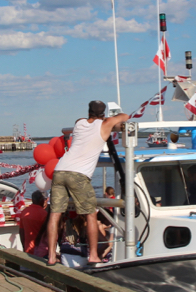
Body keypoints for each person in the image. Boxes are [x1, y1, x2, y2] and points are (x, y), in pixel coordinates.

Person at [46, 101, 129, 267]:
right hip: (79, 174)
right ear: (104, 114)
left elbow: (85, 120)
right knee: (90, 214)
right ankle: (93, 255)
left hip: (60, 170)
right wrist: (112, 119)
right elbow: (125, 117)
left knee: (55, 214)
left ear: (89, 112)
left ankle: (51, 257)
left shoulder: (79, 123)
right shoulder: (105, 124)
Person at [18, 190, 49, 257]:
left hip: (27, 249)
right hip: (41, 251)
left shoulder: (24, 212)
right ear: (41, 200)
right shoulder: (44, 214)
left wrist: (24, 246)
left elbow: (21, 232)